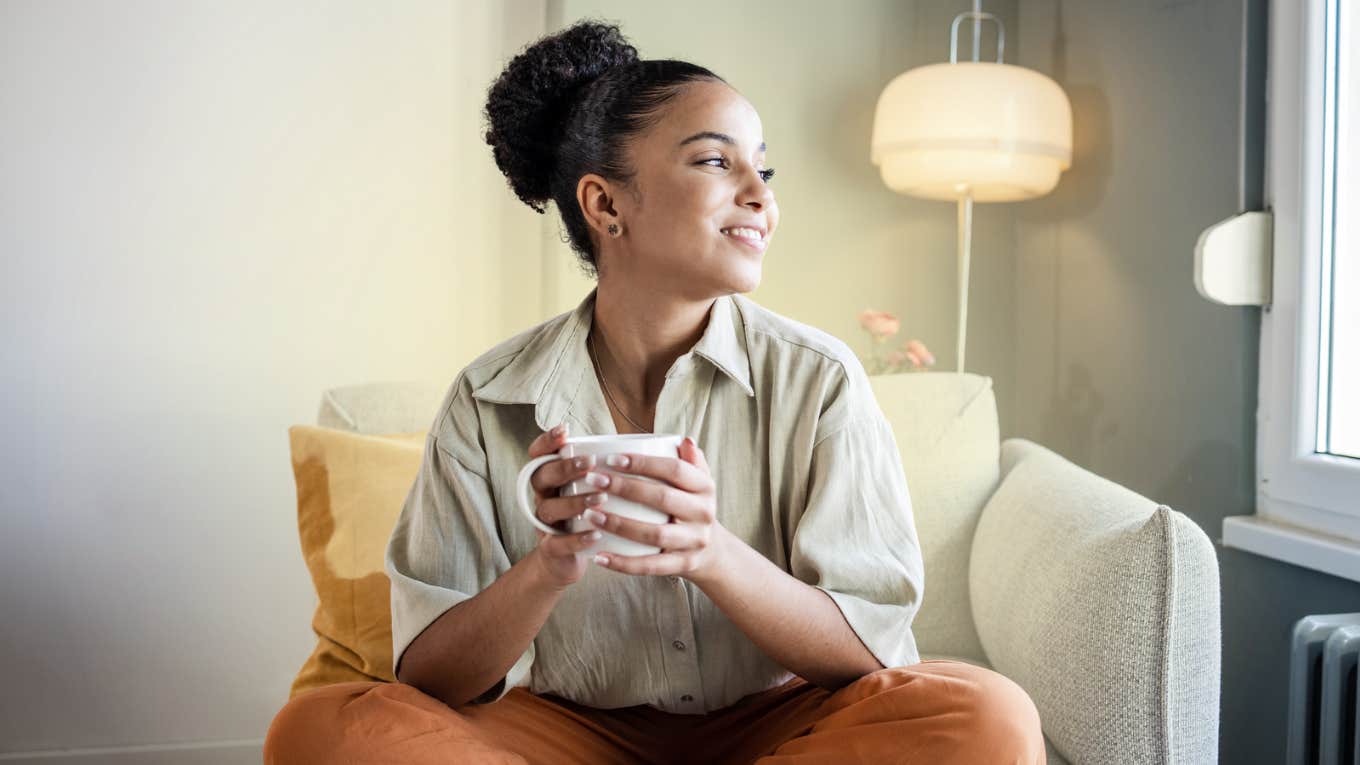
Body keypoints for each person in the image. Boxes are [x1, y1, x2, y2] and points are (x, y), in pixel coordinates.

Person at [265, 19, 1044, 765]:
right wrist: (549, 565)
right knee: (322, 732)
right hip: (571, 731)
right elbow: (429, 678)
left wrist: (710, 552)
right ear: (606, 204)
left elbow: (870, 648)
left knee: (987, 718)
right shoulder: (486, 398)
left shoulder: (820, 378)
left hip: (786, 725)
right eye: (716, 162)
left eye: (762, 168)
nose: (759, 194)